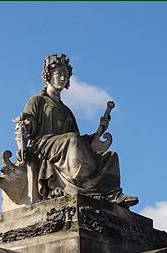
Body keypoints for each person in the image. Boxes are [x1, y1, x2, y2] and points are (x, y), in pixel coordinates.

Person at [18, 54, 137, 208]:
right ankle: (83, 188)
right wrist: (23, 137)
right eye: (59, 74)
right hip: (43, 146)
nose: (62, 79)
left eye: (65, 76)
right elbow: (27, 125)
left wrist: (96, 134)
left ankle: (111, 194)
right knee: (72, 140)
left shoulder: (67, 111)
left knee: (111, 157)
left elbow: (79, 142)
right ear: (48, 75)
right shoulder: (37, 101)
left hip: (65, 147)